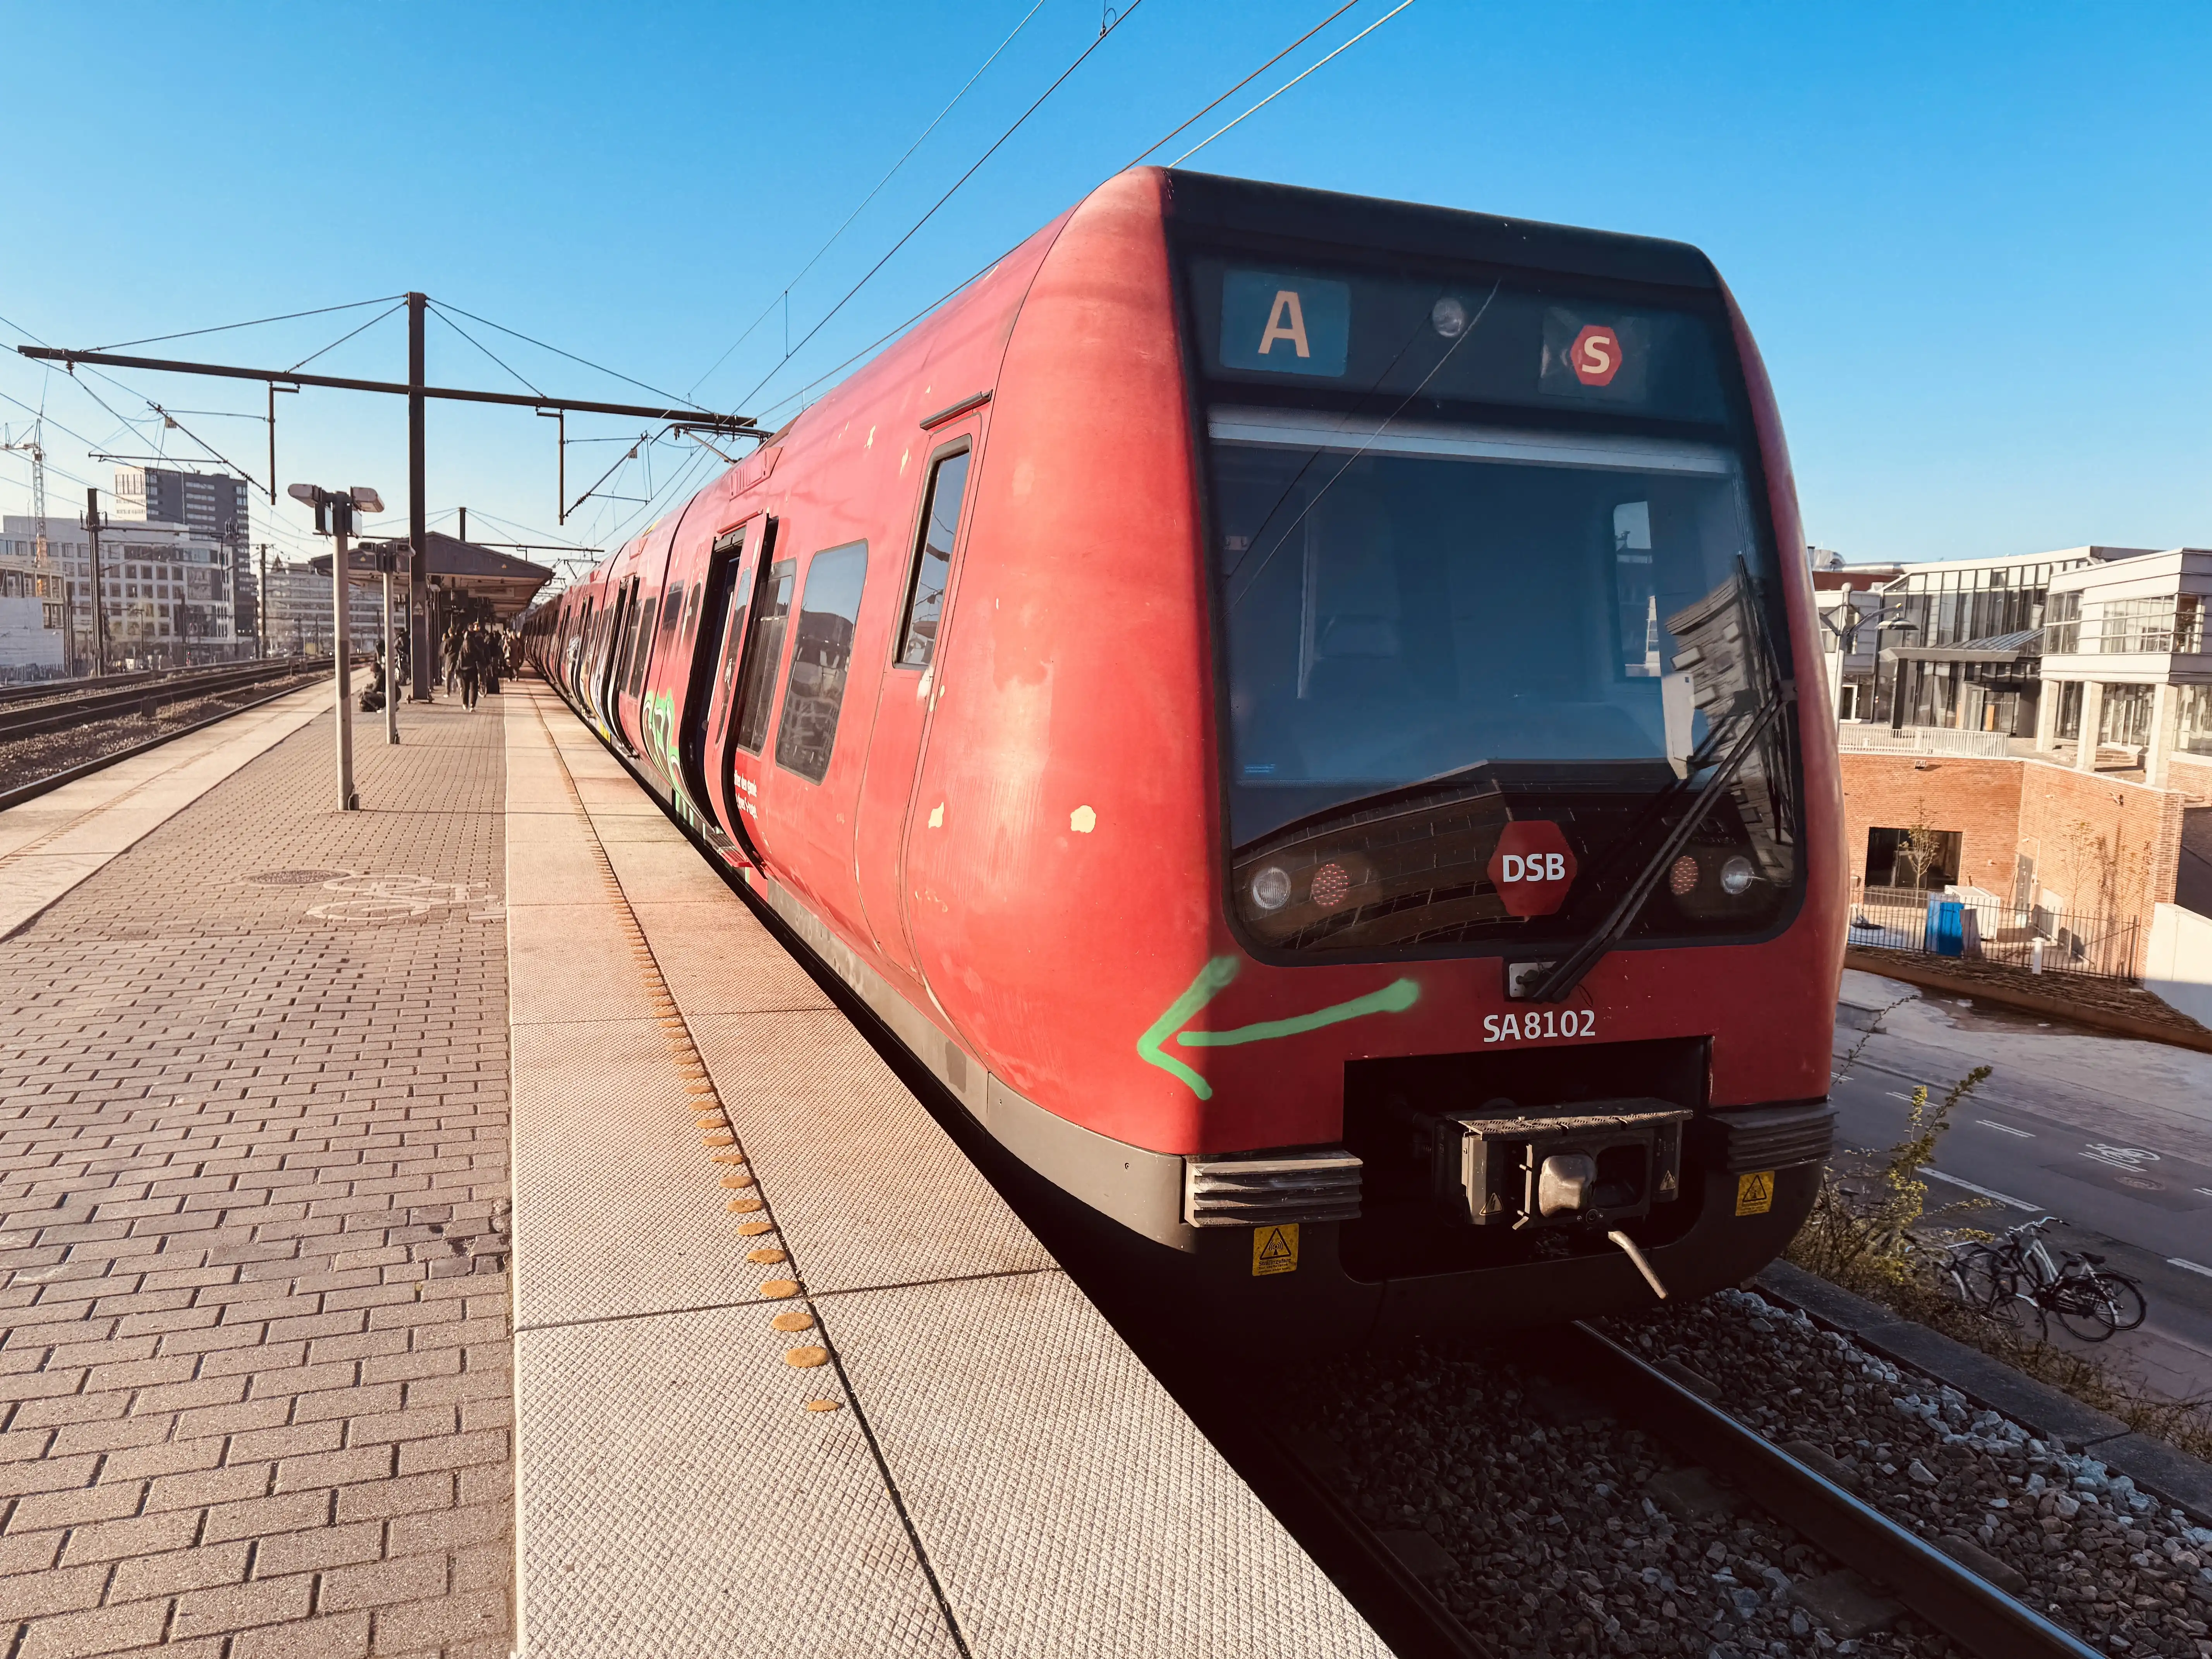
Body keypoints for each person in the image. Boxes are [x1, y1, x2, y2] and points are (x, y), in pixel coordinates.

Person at [458, 625, 483, 710]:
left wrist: (459, 669)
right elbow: (479, 655)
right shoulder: (473, 645)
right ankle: (472, 705)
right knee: (474, 688)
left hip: (464, 670)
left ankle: (465, 704)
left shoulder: (462, 646)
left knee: (465, 688)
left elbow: (460, 658)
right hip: (472, 668)